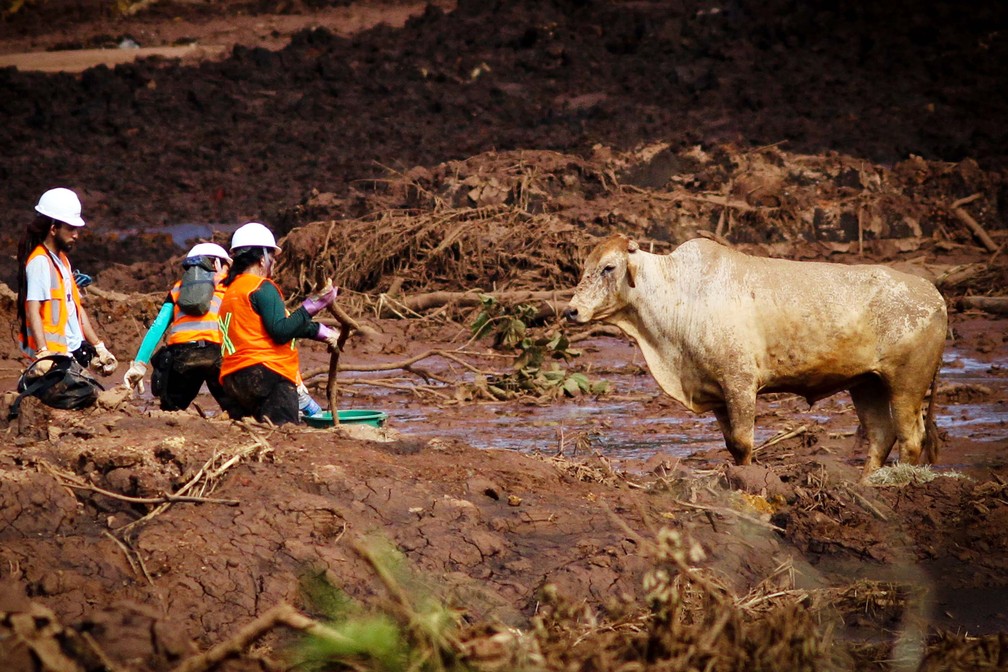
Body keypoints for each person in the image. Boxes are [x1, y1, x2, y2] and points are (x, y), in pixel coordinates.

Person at [217, 222, 341, 425]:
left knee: (257, 434)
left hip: (234, 380)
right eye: (272, 257)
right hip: (267, 374)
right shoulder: (261, 287)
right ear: (262, 257)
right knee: (283, 436)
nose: (273, 262)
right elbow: (281, 331)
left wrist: (319, 330)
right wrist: (313, 305)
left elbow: (272, 326)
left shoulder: (231, 291)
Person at [122, 243, 240, 413]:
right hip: (217, 354)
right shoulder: (228, 287)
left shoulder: (178, 289)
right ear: (217, 264)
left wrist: (140, 364)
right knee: (236, 410)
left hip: (182, 355)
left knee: (171, 409)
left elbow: (158, 327)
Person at [16, 187, 117, 377]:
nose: (76, 234)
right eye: (70, 229)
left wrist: (98, 346)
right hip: (55, 355)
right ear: (53, 229)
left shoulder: (62, 260)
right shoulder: (40, 262)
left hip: (70, 350)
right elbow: (33, 309)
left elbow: (75, 309)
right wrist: (43, 353)